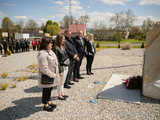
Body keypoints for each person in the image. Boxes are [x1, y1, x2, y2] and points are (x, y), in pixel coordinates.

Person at [37, 38, 59, 112]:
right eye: (50, 43)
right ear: (45, 44)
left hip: (52, 75)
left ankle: (49, 102)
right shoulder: (42, 54)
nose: (51, 44)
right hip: (47, 75)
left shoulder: (50, 51)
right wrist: (52, 74)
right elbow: (44, 68)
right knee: (46, 90)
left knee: (50, 89)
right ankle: (45, 105)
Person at [54, 34, 69, 100]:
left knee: (63, 81)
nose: (64, 40)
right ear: (59, 39)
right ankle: (59, 95)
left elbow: (66, 55)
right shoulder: (56, 48)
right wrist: (59, 71)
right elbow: (56, 60)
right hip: (61, 67)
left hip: (66, 65)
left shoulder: (63, 46)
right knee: (59, 82)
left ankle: (62, 93)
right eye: (63, 39)